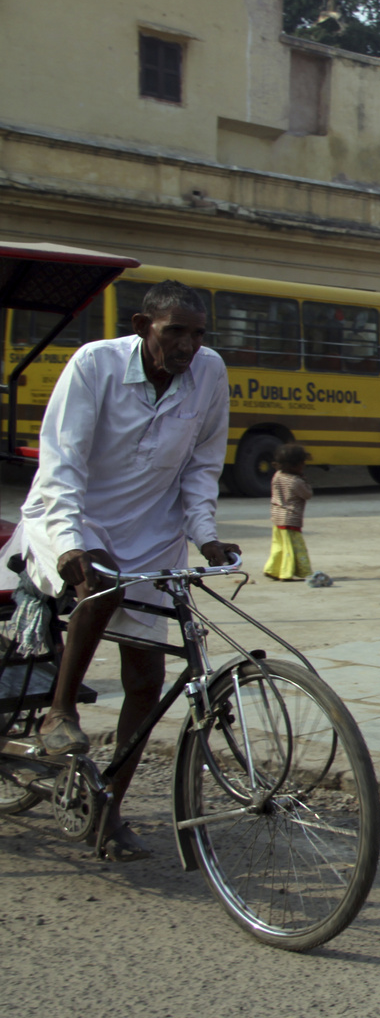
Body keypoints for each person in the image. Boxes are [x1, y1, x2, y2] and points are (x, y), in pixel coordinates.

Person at [16, 280, 240, 861]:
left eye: (197, 334)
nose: (189, 345)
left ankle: (107, 811)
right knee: (104, 579)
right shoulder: (96, 365)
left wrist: (206, 534)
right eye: (175, 332)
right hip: (74, 514)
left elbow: (202, 463)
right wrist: (69, 545)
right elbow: (62, 462)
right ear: (143, 326)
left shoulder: (210, 373)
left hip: (153, 530)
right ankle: (58, 713)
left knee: (146, 678)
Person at [264, 443, 313, 581]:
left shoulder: (278, 476)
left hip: (276, 516)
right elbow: (307, 494)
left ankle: (273, 569)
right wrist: (304, 479)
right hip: (290, 518)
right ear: (295, 465)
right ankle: (287, 572)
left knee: (279, 546)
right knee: (293, 548)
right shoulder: (296, 481)